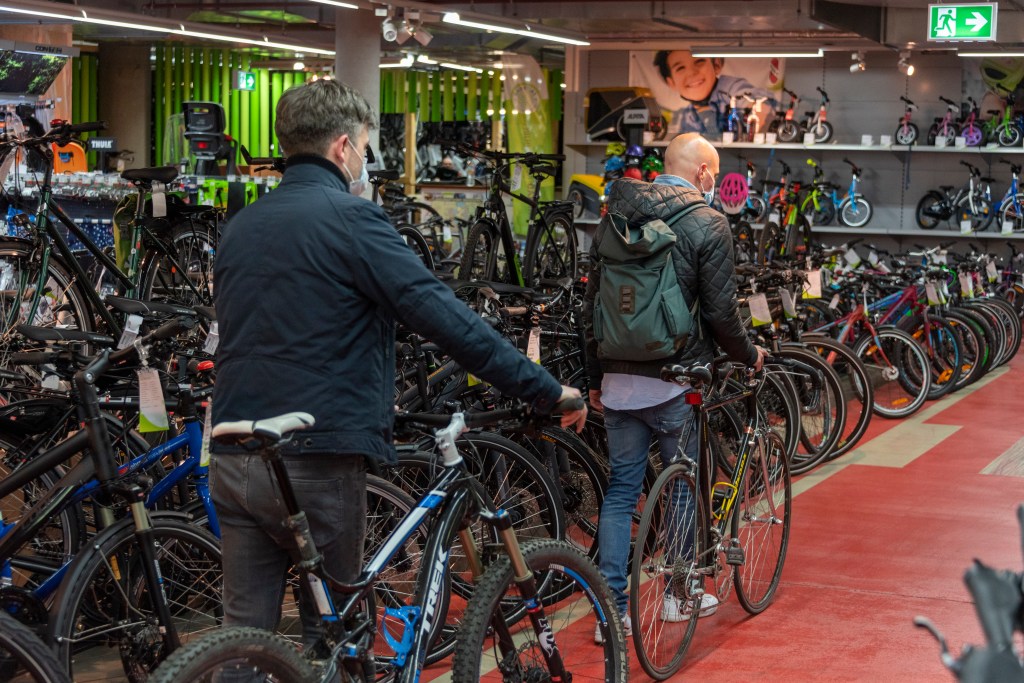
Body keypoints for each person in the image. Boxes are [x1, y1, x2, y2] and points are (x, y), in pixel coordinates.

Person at [210, 78, 587, 647]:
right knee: (334, 636)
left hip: (234, 449)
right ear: (342, 147)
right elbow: (444, 317)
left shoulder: (240, 227)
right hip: (316, 454)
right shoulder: (352, 220)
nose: (365, 160)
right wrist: (542, 388)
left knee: (241, 642)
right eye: (364, 147)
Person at [584, 132, 767, 641]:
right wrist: (749, 355)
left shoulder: (614, 217)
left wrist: (594, 378)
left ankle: (611, 613)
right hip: (675, 382)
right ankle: (677, 594)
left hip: (618, 382)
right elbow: (720, 313)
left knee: (621, 493)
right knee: (684, 483)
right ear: (704, 173)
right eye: (714, 172)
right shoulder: (709, 223)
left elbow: (591, 309)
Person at [653, 49, 775, 140]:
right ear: (671, 82)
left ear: (716, 65)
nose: (692, 73)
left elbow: (759, 104)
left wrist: (756, 110)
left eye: (699, 61)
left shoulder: (729, 88)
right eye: (680, 68)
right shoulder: (687, 116)